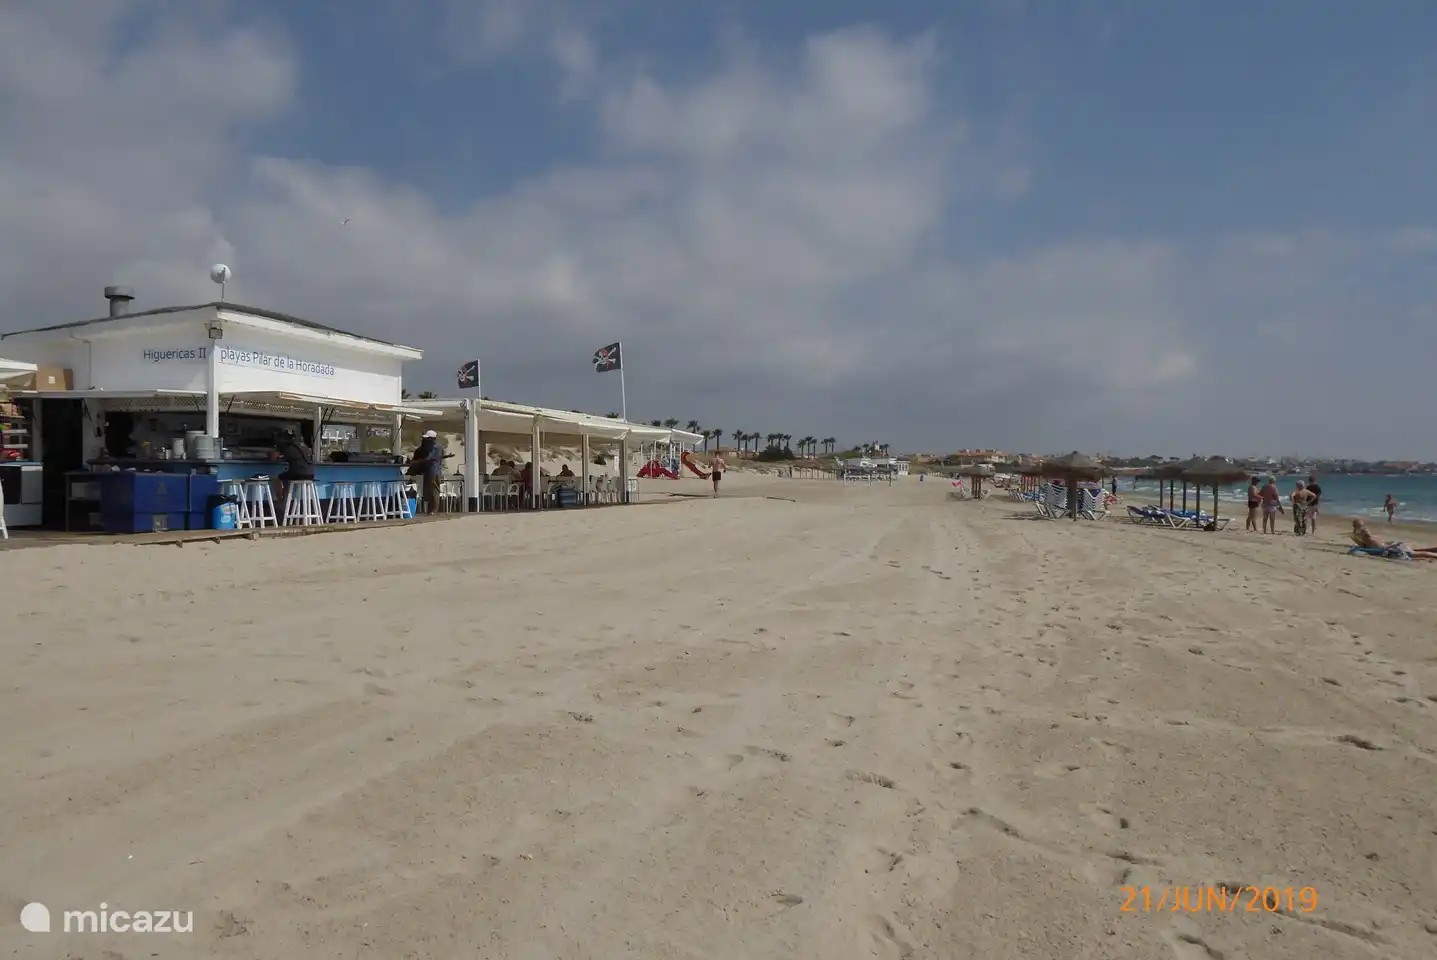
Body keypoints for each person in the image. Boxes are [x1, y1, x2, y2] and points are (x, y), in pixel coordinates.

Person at [1351, 518, 1437, 559]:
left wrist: (1392, 544)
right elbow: (1377, 549)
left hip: (1393, 547)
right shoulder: (1365, 538)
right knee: (1422, 553)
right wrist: (1392, 545)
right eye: (1361, 526)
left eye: (1364, 525)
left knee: (1417, 551)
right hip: (1392, 550)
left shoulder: (1368, 537)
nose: (1365, 528)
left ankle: (1434, 551)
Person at [407, 429, 448, 515]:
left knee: (434, 491)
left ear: (432, 439)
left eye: (427, 439)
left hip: (433, 471)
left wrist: (414, 462)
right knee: (429, 491)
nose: (425, 440)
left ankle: (433, 510)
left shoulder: (435, 447)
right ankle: (430, 510)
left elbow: (428, 458)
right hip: (429, 471)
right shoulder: (432, 448)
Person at [272, 430, 316, 507]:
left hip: (299, 473)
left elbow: (274, 458)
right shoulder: (302, 446)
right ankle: (286, 501)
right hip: (311, 474)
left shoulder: (287, 447)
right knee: (286, 479)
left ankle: (281, 502)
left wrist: (275, 452)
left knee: (279, 478)